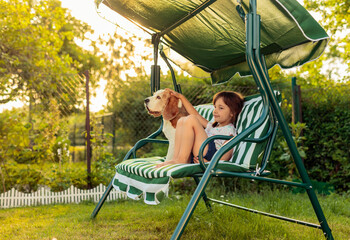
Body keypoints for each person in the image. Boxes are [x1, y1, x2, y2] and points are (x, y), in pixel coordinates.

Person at [156, 88, 244, 168]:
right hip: (198, 153)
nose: (215, 111)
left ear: (232, 112)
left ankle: (181, 160)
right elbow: (195, 114)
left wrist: (210, 163)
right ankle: (176, 158)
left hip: (209, 155)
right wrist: (180, 97)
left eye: (221, 108)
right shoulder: (212, 126)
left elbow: (227, 152)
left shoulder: (229, 131)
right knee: (181, 120)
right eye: (215, 107)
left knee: (191, 119)